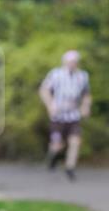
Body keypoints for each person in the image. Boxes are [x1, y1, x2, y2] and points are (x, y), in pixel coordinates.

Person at [39, 50, 91, 180]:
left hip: (73, 115)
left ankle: (70, 168)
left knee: (75, 141)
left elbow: (86, 94)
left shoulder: (83, 76)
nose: (72, 64)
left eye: (74, 62)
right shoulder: (55, 74)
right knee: (57, 144)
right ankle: (52, 158)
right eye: (69, 62)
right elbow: (44, 90)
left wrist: (85, 106)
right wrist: (50, 104)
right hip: (58, 115)